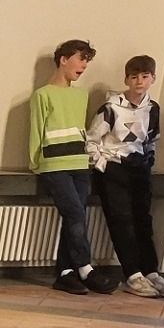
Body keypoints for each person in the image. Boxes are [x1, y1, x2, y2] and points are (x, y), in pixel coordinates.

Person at [32, 39, 116, 296]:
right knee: (75, 215)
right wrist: (35, 163)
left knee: (75, 216)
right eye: (81, 59)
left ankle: (65, 273)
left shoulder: (81, 95)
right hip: (54, 165)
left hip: (79, 164)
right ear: (63, 59)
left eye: (87, 61)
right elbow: (36, 130)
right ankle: (85, 268)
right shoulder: (42, 94)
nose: (84, 66)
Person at [87, 55, 164, 298]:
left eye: (145, 76)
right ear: (126, 79)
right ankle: (132, 273)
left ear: (152, 78)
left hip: (139, 168)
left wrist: (149, 160)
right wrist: (103, 164)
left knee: (143, 220)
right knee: (121, 220)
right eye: (134, 76)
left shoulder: (152, 108)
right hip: (114, 168)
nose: (139, 82)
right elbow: (92, 139)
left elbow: (152, 139)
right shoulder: (111, 107)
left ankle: (150, 270)